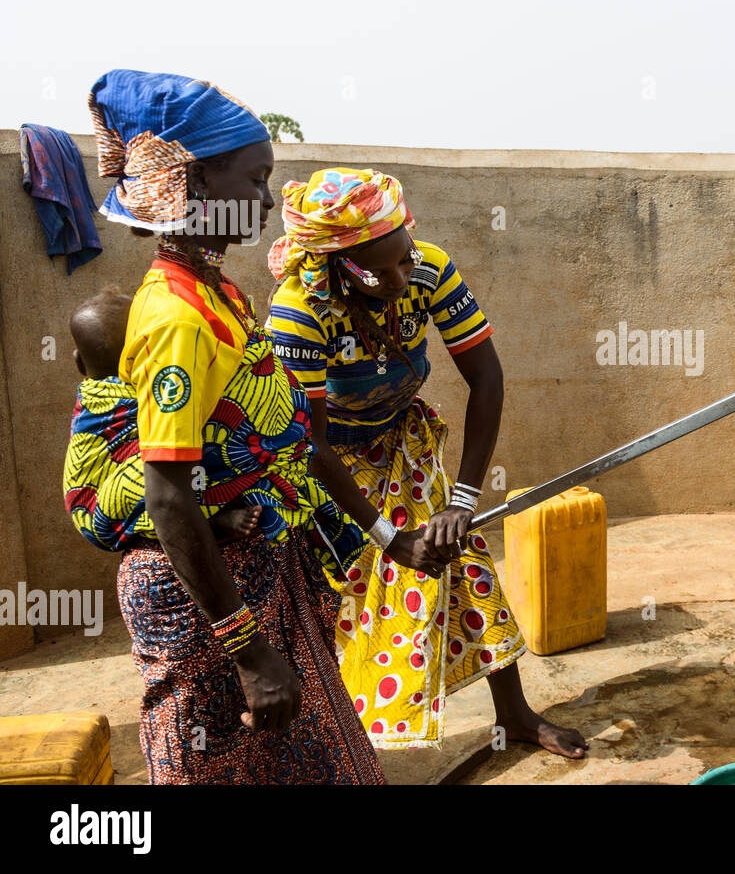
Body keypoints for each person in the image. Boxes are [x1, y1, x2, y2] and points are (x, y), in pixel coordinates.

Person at [83, 70, 393, 783]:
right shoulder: (177, 319)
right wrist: (248, 650)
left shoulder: (217, 292)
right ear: (192, 179)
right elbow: (168, 495)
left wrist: (382, 534)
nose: (262, 200)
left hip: (252, 576)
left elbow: (283, 436)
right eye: (253, 180)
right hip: (209, 608)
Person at [267, 167, 588, 757]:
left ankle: (514, 714)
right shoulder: (297, 313)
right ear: (336, 264)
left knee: (460, 558)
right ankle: (338, 743)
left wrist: (461, 500)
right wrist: (388, 537)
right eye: (376, 270)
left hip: (400, 438)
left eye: (403, 259)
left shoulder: (431, 268)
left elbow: (485, 377)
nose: (397, 278)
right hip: (332, 465)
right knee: (353, 594)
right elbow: (308, 445)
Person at [64, 287, 261, 548]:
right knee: (168, 459)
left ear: (79, 364)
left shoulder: (93, 395)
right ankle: (211, 522)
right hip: (99, 508)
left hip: (91, 502)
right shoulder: (122, 396)